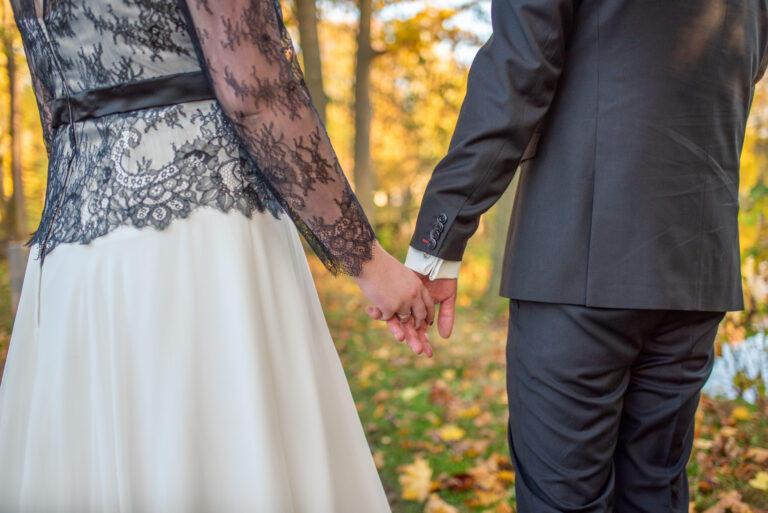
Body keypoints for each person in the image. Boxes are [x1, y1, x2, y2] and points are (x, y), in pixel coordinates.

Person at [0, 0, 434, 511]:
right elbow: (256, 93)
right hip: (200, 237)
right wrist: (367, 260)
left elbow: (54, 103)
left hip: (74, 259)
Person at [373, 0, 768, 511]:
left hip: (579, 259)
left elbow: (519, 68)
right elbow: (744, 61)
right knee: (655, 490)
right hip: (698, 263)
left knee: (565, 500)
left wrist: (437, 244)